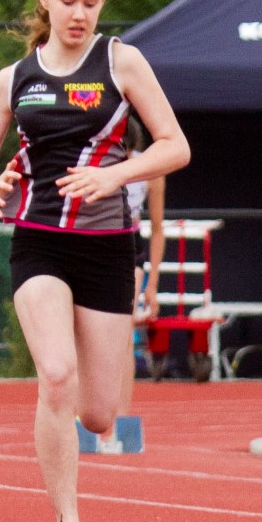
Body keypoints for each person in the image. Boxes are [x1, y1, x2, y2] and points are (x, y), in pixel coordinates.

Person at [0, 0, 189, 522]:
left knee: (100, 413)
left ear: (103, 4)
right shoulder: (15, 78)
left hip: (107, 246)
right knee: (55, 374)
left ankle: (80, 444)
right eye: (68, 1)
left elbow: (175, 147)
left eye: (91, 3)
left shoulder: (122, 62)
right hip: (38, 240)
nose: (79, 13)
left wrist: (113, 179)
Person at [106, 114, 165, 451]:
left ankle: (122, 419)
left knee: (123, 333)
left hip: (130, 244)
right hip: (94, 239)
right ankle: (84, 417)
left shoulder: (149, 170)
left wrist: (152, 285)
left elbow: (157, 229)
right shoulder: (94, 162)